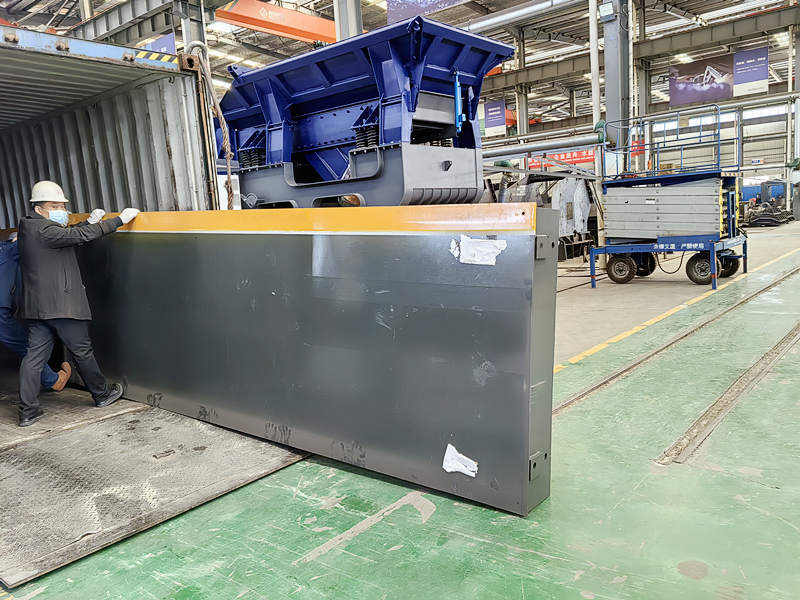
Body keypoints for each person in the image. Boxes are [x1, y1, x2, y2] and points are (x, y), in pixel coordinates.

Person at [17, 180, 140, 427]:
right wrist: (118, 221)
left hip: (37, 308)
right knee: (82, 351)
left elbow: (67, 236)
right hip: (60, 306)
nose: (61, 208)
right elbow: (77, 236)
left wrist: (89, 222)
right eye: (54, 205)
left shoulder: (31, 228)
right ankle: (102, 395)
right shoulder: (44, 230)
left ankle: (27, 412)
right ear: (38, 209)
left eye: (62, 204)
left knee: (33, 358)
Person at [0, 232, 71, 394]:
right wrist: (88, 224)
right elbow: (51, 238)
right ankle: (53, 381)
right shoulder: (11, 249)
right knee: (23, 344)